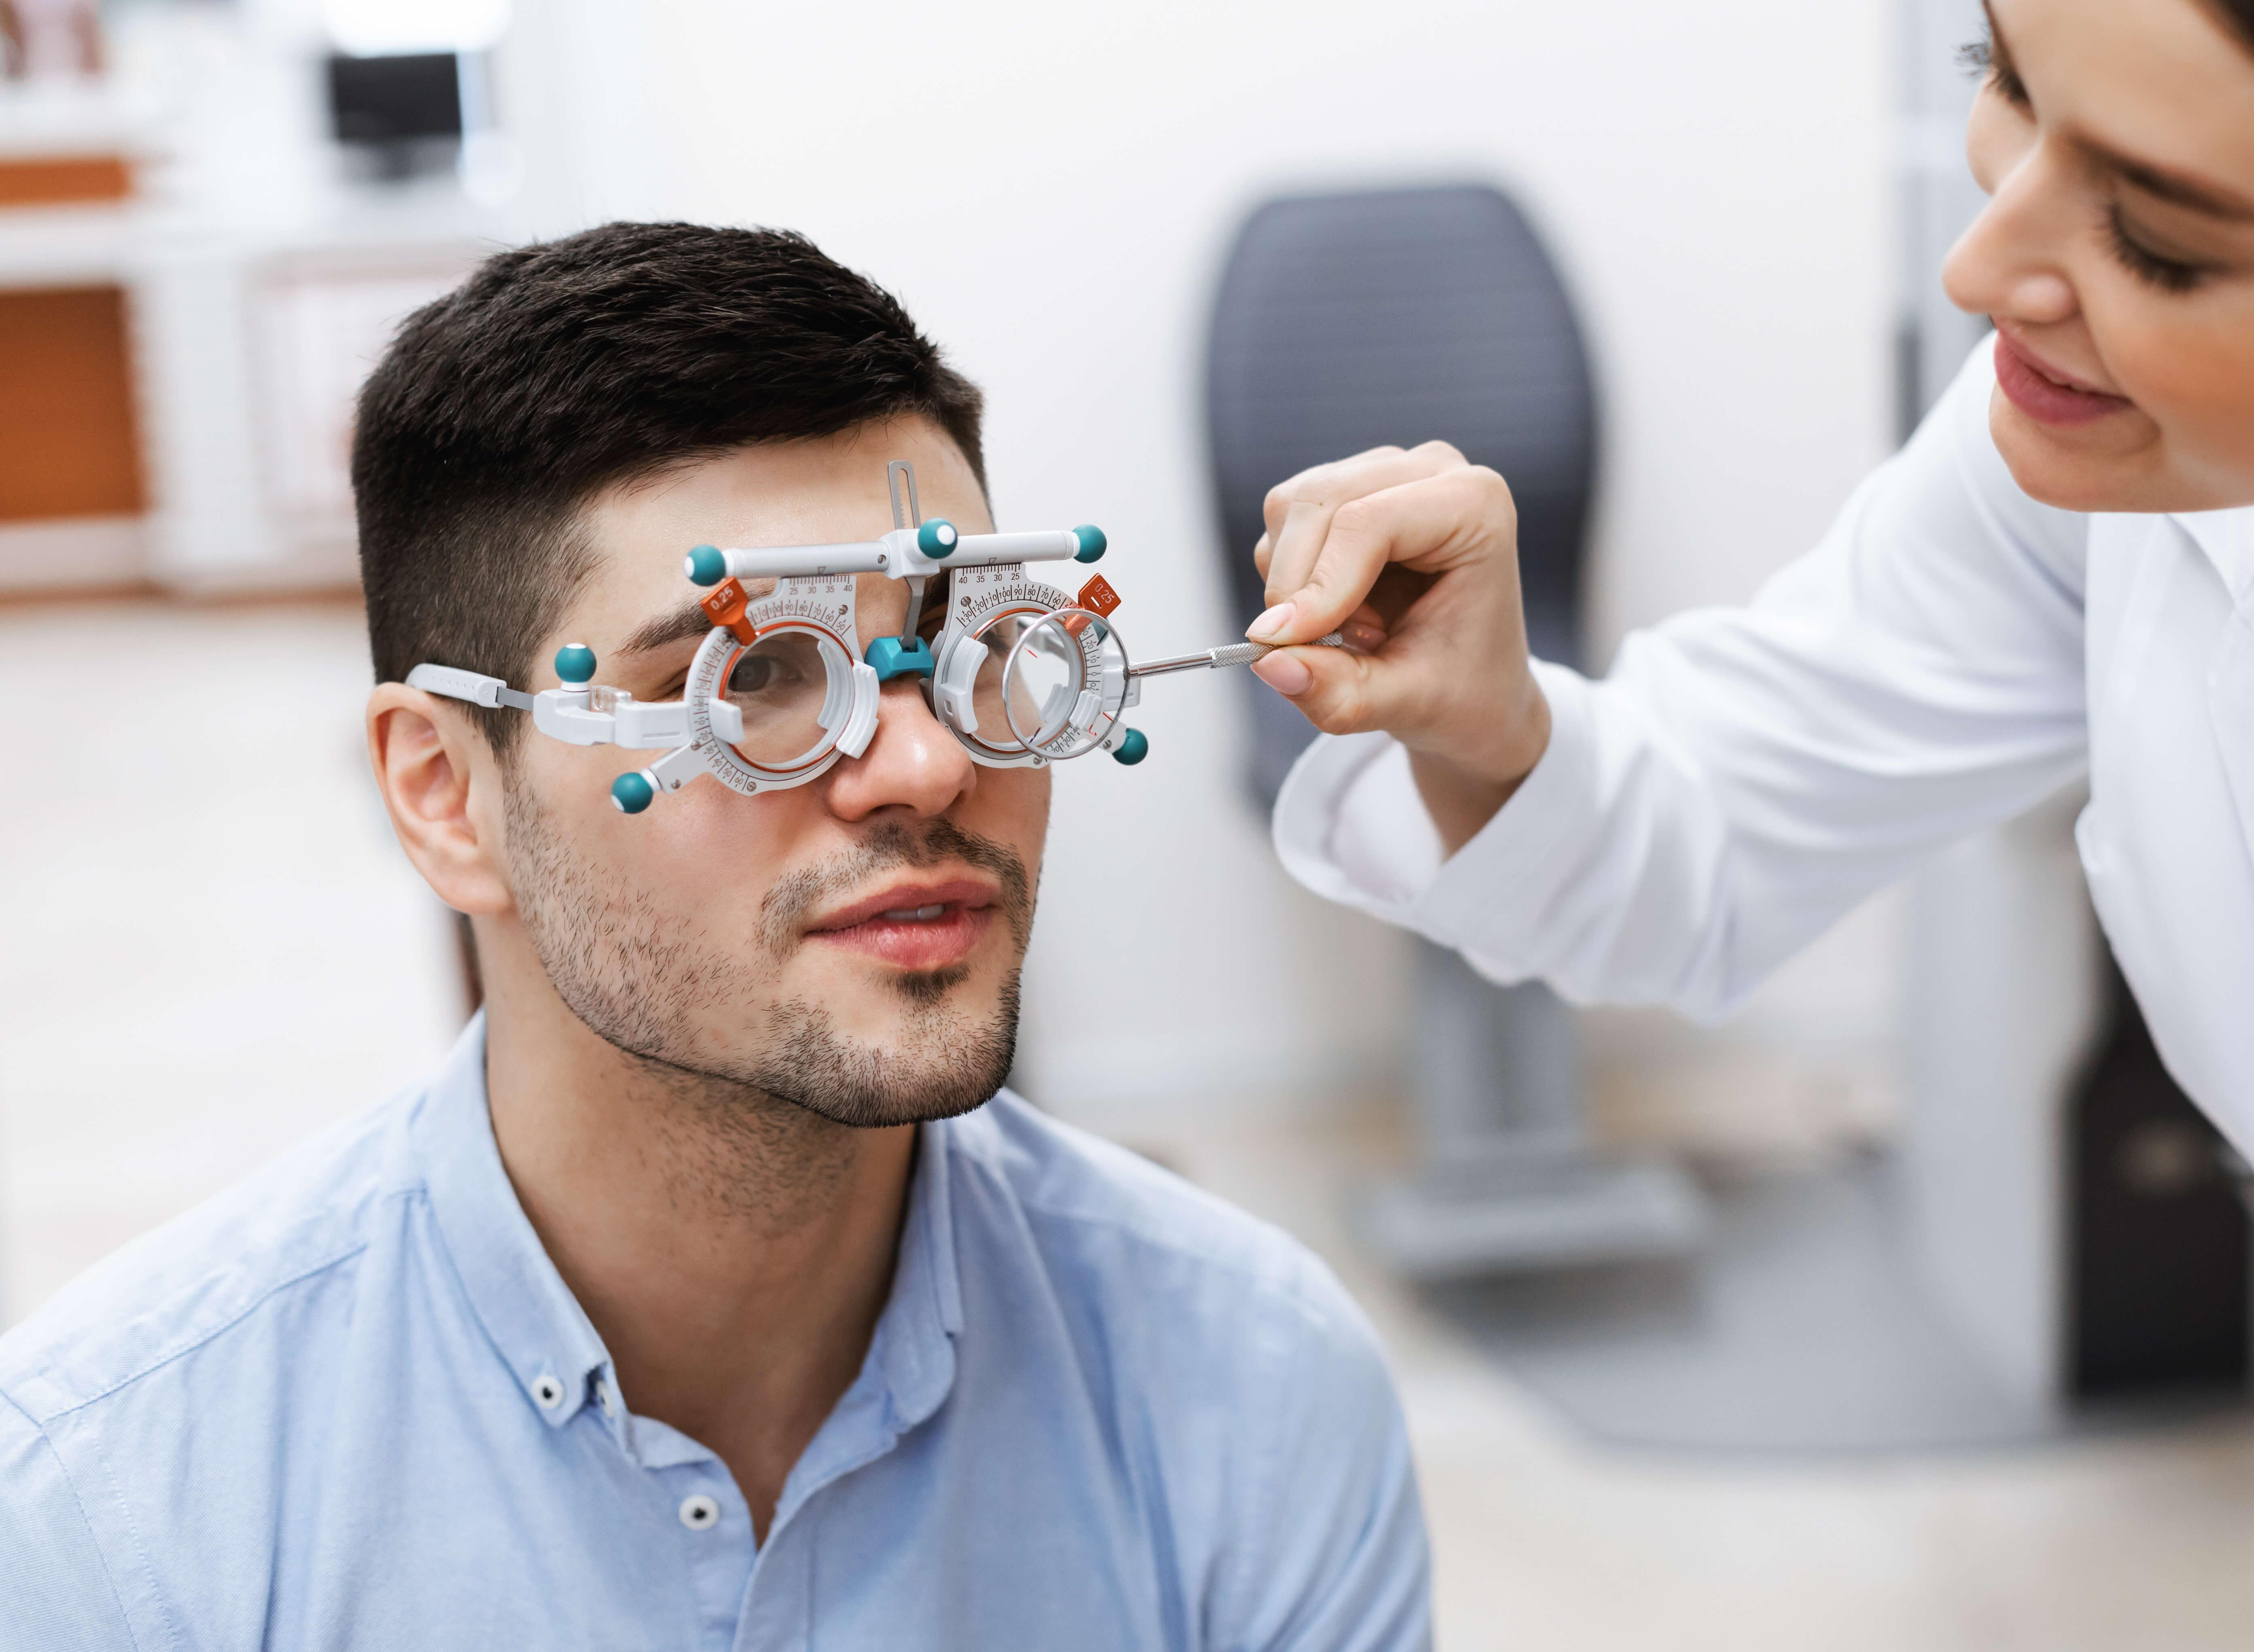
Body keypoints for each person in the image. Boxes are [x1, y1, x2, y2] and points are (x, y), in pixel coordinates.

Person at [1242, 0, 2254, 1646]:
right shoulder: (2133, 471)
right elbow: (1703, 838)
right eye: (2001, 77)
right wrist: (1487, 718)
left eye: (2160, 238)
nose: (1983, 263)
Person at [0, 223, 1430, 1650]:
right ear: (445, 794)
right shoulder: (117, 1520)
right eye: (750, 678)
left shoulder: (1256, 1393)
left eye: (977, 644)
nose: (926, 764)